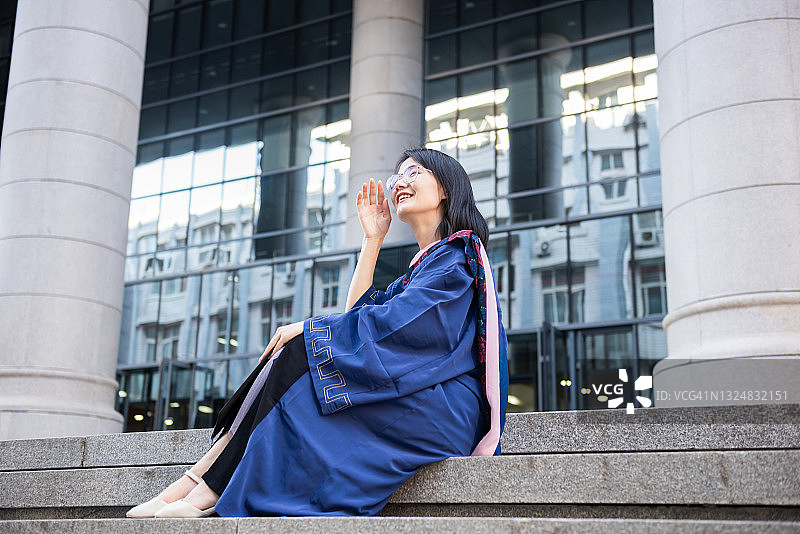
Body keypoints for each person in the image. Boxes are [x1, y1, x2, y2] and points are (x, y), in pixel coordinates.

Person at [126, 147, 509, 518]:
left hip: (443, 406)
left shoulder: (456, 259)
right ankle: (197, 484)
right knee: (298, 356)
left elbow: (393, 330)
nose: (399, 183)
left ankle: (205, 489)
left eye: (414, 173)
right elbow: (358, 316)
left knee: (301, 351)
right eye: (397, 176)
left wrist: (308, 329)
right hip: (416, 393)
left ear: (445, 188)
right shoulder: (422, 269)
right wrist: (372, 238)